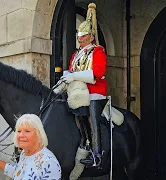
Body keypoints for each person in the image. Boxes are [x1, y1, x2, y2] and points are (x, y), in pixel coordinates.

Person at [53, 3, 107, 167]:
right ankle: (84, 144)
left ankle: (97, 154)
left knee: (92, 119)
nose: (80, 40)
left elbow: (96, 73)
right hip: (77, 92)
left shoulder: (98, 51)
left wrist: (74, 75)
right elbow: (71, 70)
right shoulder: (76, 55)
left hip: (95, 91)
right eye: (79, 37)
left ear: (91, 37)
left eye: (83, 37)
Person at [0, 114, 61, 179]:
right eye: (19, 131)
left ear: (39, 134)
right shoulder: (25, 153)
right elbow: (17, 173)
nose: (21, 135)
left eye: (27, 131)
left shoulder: (48, 162)